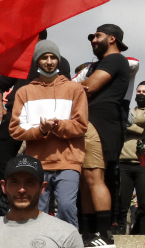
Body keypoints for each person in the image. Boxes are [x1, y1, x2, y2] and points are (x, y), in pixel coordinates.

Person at [8, 41, 88, 228]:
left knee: (67, 207)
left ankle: (70, 244)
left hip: (69, 160)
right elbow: (15, 130)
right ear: (37, 61)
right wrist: (41, 130)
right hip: (37, 162)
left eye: (53, 57)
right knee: (38, 211)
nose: (49, 61)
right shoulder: (24, 92)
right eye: (44, 57)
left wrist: (58, 125)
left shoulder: (74, 89)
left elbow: (81, 125)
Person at [79, 24, 132, 248]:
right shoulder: (101, 63)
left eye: (97, 36)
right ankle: (88, 232)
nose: (93, 40)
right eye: (91, 36)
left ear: (112, 39)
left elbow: (89, 87)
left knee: (94, 177)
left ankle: (104, 234)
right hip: (90, 123)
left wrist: (59, 89)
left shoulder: (115, 59)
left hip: (99, 124)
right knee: (85, 180)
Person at [116, 81, 145, 234]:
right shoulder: (131, 110)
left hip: (142, 164)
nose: (141, 94)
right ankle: (120, 233)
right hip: (124, 161)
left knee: (144, 203)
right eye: (139, 91)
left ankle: (142, 234)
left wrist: (129, 125)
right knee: (122, 203)